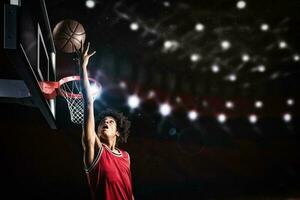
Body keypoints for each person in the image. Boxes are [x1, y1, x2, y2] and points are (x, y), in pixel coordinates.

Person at [77, 42, 134, 200]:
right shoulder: (95, 149)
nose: (105, 123)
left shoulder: (126, 156)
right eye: (102, 122)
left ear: (117, 131)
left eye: (110, 122)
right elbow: (88, 103)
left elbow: (129, 192)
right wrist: (82, 67)